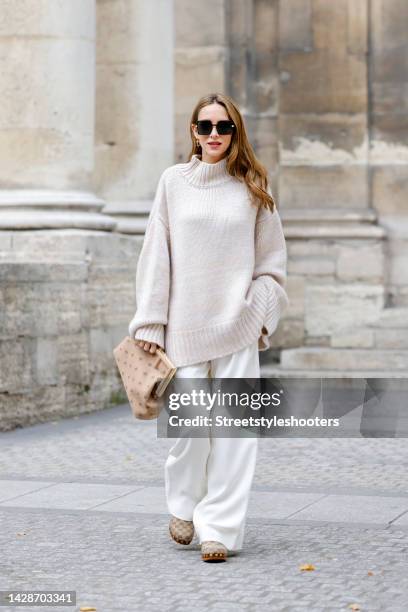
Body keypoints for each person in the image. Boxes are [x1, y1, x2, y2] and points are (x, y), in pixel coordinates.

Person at [128, 92, 289, 562]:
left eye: (224, 127)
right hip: (185, 330)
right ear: (193, 132)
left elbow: (273, 261)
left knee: (235, 434)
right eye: (205, 127)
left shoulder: (254, 185)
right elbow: (157, 253)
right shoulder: (173, 182)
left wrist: (259, 308)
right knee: (190, 431)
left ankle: (218, 528)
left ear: (236, 133)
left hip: (237, 327)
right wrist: (150, 321)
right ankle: (183, 504)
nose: (214, 135)